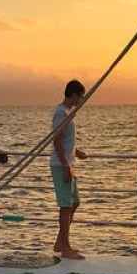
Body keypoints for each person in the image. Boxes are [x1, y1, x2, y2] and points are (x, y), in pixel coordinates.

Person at [49, 79, 89, 260]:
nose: (81, 100)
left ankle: (60, 241)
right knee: (65, 206)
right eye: (80, 96)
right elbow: (56, 140)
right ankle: (65, 248)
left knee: (74, 203)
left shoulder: (68, 113)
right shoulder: (61, 113)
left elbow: (65, 140)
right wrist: (66, 166)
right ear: (73, 95)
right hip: (61, 165)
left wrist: (76, 151)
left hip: (69, 163)